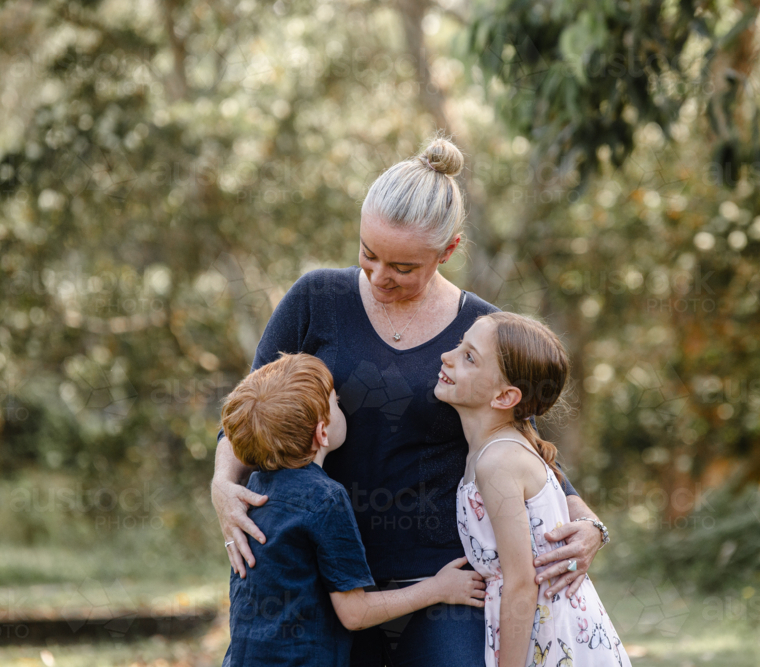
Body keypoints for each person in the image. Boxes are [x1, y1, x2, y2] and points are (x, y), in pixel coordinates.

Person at [212, 136, 610, 666]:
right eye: (368, 254)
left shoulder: (483, 333)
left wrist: (588, 525)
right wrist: (222, 484)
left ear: (448, 251)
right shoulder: (316, 300)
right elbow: (253, 411)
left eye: (402, 267)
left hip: (448, 583)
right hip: (323, 581)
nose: (379, 277)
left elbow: (525, 444)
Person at [220, 352, 486, 666]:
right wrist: (438, 589)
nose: (343, 405)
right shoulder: (325, 499)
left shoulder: (250, 492)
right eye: (336, 401)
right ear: (322, 433)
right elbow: (355, 613)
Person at [436, 312, 631, 667]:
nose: (446, 357)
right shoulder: (495, 450)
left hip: (550, 639)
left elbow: (521, 583)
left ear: (505, 396)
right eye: (459, 345)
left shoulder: (499, 462)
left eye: (469, 357)